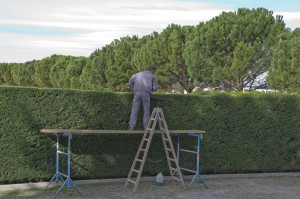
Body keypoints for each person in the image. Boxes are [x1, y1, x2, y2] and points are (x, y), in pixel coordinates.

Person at [128, 66, 159, 130]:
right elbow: (155, 87)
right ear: (152, 71)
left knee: (134, 110)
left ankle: (132, 126)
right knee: (146, 111)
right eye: (154, 72)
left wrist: (132, 88)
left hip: (137, 94)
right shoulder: (152, 76)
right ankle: (146, 126)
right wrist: (152, 89)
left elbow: (130, 81)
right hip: (146, 94)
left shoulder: (137, 74)